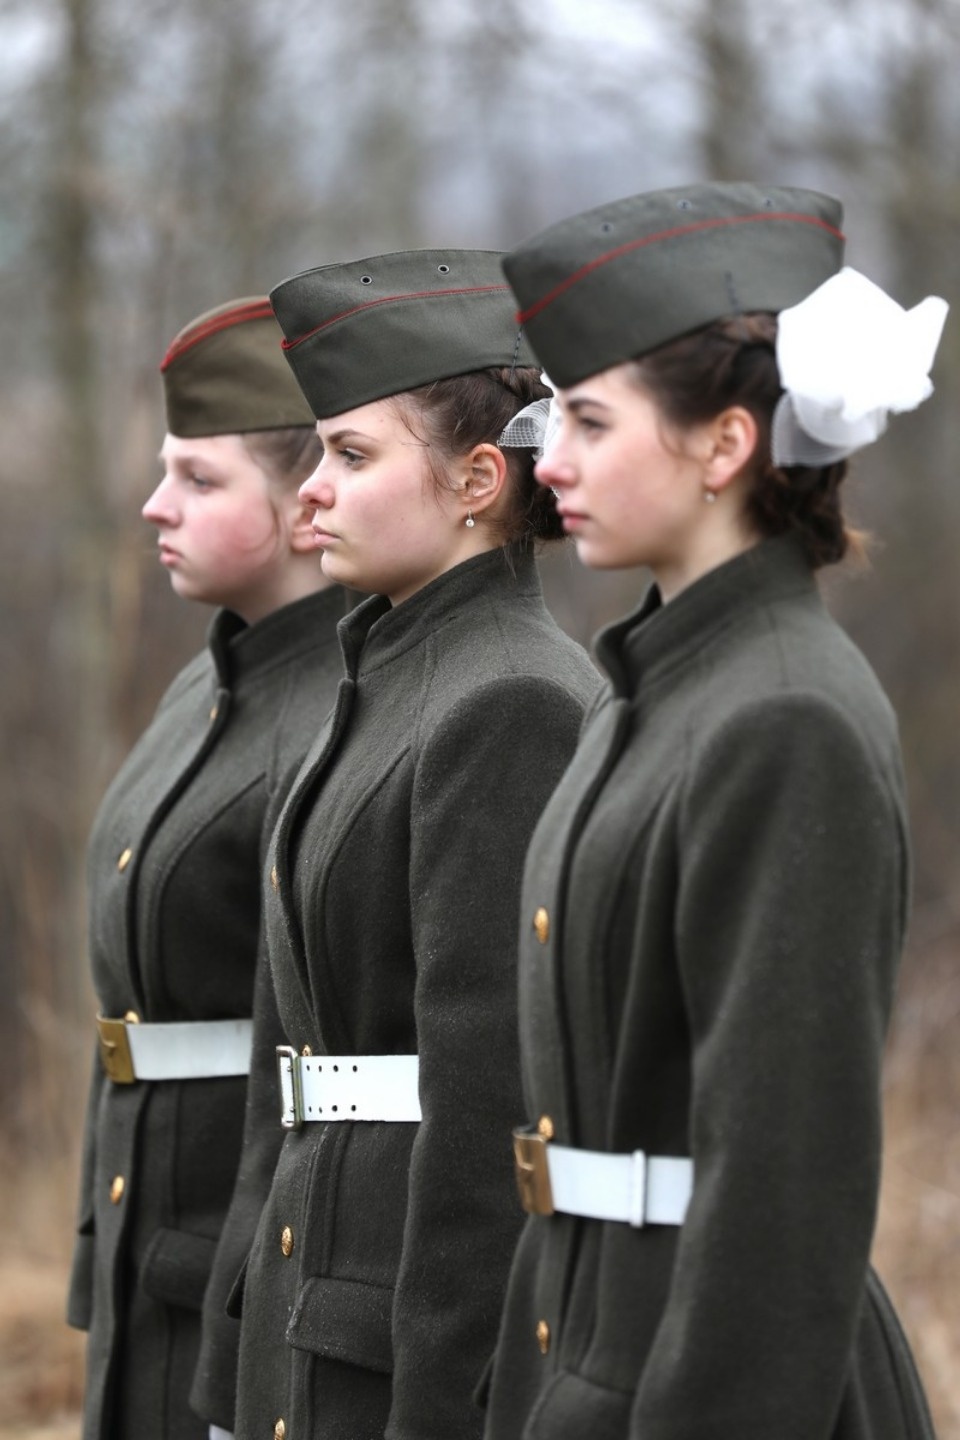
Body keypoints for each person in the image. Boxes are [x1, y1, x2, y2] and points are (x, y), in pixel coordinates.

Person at [481, 183, 946, 1440]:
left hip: (709, 1382)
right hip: (593, 1349)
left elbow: (786, 1184)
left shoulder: (782, 715)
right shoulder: (659, 683)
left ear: (725, 445)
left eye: (586, 419)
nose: (549, 460)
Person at [224, 249, 600, 1440]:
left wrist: (443, 1402)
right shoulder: (379, 677)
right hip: (315, 1289)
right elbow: (290, 1068)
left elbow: (490, 1105)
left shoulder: (513, 699)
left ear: (479, 479)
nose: (310, 497)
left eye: (351, 456)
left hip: (394, 1334)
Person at [66, 297, 349, 1440]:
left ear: (302, 500)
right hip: (148, 1236)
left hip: (237, 1263)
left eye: (199, 478)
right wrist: (100, 1246)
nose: (154, 506)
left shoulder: (337, 709)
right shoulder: (208, 684)